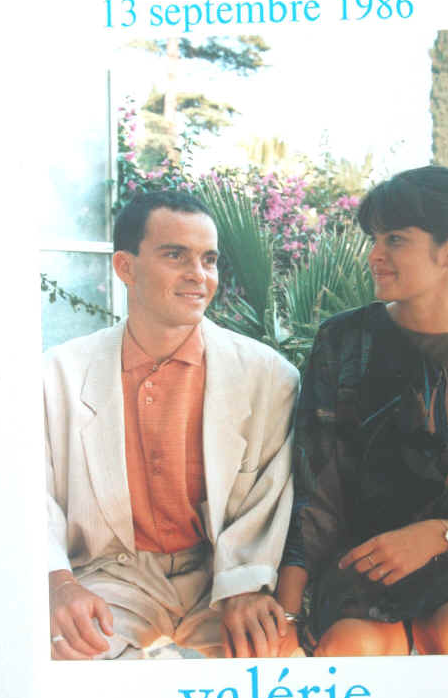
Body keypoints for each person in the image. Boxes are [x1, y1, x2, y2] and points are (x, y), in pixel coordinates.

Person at [275, 165, 448, 657]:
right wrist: (286, 611)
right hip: (362, 572)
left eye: (396, 240)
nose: (375, 255)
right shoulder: (344, 340)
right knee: (349, 652)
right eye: (375, 238)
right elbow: (315, 489)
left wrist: (443, 535)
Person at [45, 190, 299, 660]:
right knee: (62, 654)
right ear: (125, 267)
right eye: (175, 255)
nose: (198, 275)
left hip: (221, 578)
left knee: (282, 664)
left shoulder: (269, 376)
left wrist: (245, 586)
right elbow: (32, 496)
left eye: (209, 259)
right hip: (112, 574)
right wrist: (58, 584)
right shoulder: (57, 374)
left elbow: (271, 494)